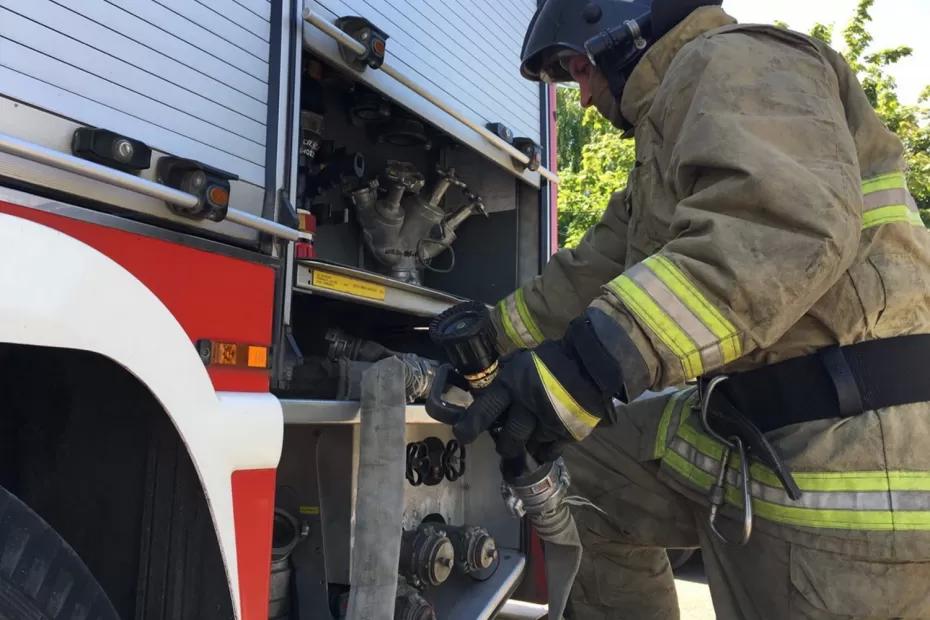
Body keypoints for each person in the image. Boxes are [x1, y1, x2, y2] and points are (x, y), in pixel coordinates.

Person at [453, 0, 930, 618]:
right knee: (582, 470)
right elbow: (593, 270)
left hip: (849, 457)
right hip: (755, 425)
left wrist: (588, 367)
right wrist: (486, 340)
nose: (583, 98)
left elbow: (781, 228)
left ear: (624, 27)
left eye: (578, 70)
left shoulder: (737, 60)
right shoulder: (668, 138)